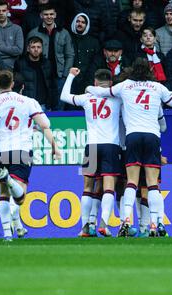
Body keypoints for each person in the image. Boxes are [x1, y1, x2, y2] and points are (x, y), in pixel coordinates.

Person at [85, 57, 172, 236]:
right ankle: (156, 225)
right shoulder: (158, 87)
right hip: (152, 137)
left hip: (130, 137)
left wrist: (88, 88)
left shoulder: (124, 85)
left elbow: (102, 92)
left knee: (130, 182)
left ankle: (124, 222)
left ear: (132, 70)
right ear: (149, 70)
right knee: (152, 184)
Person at [0, 70, 60, 241]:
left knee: (3, 193)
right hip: (21, 150)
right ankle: (10, 180)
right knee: (19, 198)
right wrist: (54, 146)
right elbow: (45, 124)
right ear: (12, 84)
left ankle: (8, 233)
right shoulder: (28, 102)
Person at [60, 67, 123, 238]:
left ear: (95, 82)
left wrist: (71, 75)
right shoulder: (117, 98)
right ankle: (104, 224)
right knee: (109, 187)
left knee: (87, 187)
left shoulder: (87, 98)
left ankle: (85, 227)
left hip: (91, 147)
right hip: (111, 146)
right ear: (110, 83)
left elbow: (64, 96)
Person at [27, 3, 74, 110]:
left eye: (51, 14)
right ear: (41, 16)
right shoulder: (34, 33)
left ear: (55, 15)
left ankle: (58, 126)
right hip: (41, 74)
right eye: (46, 14)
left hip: (59, 74)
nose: (49, 17)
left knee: (60, 103)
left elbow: (70, 54)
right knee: (42, 104)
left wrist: (65, 74)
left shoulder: (64, 32)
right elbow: (28, 54)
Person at [13, 36, 57, 110]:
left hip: (45, 104)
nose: (36, 49)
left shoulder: (47, 63)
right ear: (28, 49)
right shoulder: (20, 63)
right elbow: (16, 85)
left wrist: (52, 102)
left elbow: (52, 85)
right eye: (33, 47)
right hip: (27, 105)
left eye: (38, 47)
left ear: (42, 49)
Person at [0, 0, 24, 69]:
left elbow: (19, 50)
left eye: (3, 10)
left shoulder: (17, 29)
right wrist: (11, 53)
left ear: (8, 12)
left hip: (14, 67)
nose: (1, 13)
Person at [69, 13, 101, 95]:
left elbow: (96, 61)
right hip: (70, 79)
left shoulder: (94, 41)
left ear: (87, 25)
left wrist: (89, 75)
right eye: (78, 21)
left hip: (87, 80)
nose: (80, 24)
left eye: (83, 22)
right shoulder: (68, 38)